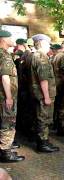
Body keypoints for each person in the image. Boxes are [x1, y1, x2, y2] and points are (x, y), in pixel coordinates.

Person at [30, 34, 59, 152]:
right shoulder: (41, 57)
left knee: (43, 118)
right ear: (42, 43)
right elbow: (43, 79)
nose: (50, 47)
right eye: (48, 44)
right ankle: (42, 144)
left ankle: (44, 141)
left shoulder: (37, 56)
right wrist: (46, 96)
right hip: (44, 95)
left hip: (41, 93)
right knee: (44, 118)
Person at [0, 30, 25, 162]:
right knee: (8, 123)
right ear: (3, 39)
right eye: (10, 37)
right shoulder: (4, 55)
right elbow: (5, 77)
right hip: (5, 97)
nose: (12, 40)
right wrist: (9, 97)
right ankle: (6, 153)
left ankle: (3, 149)